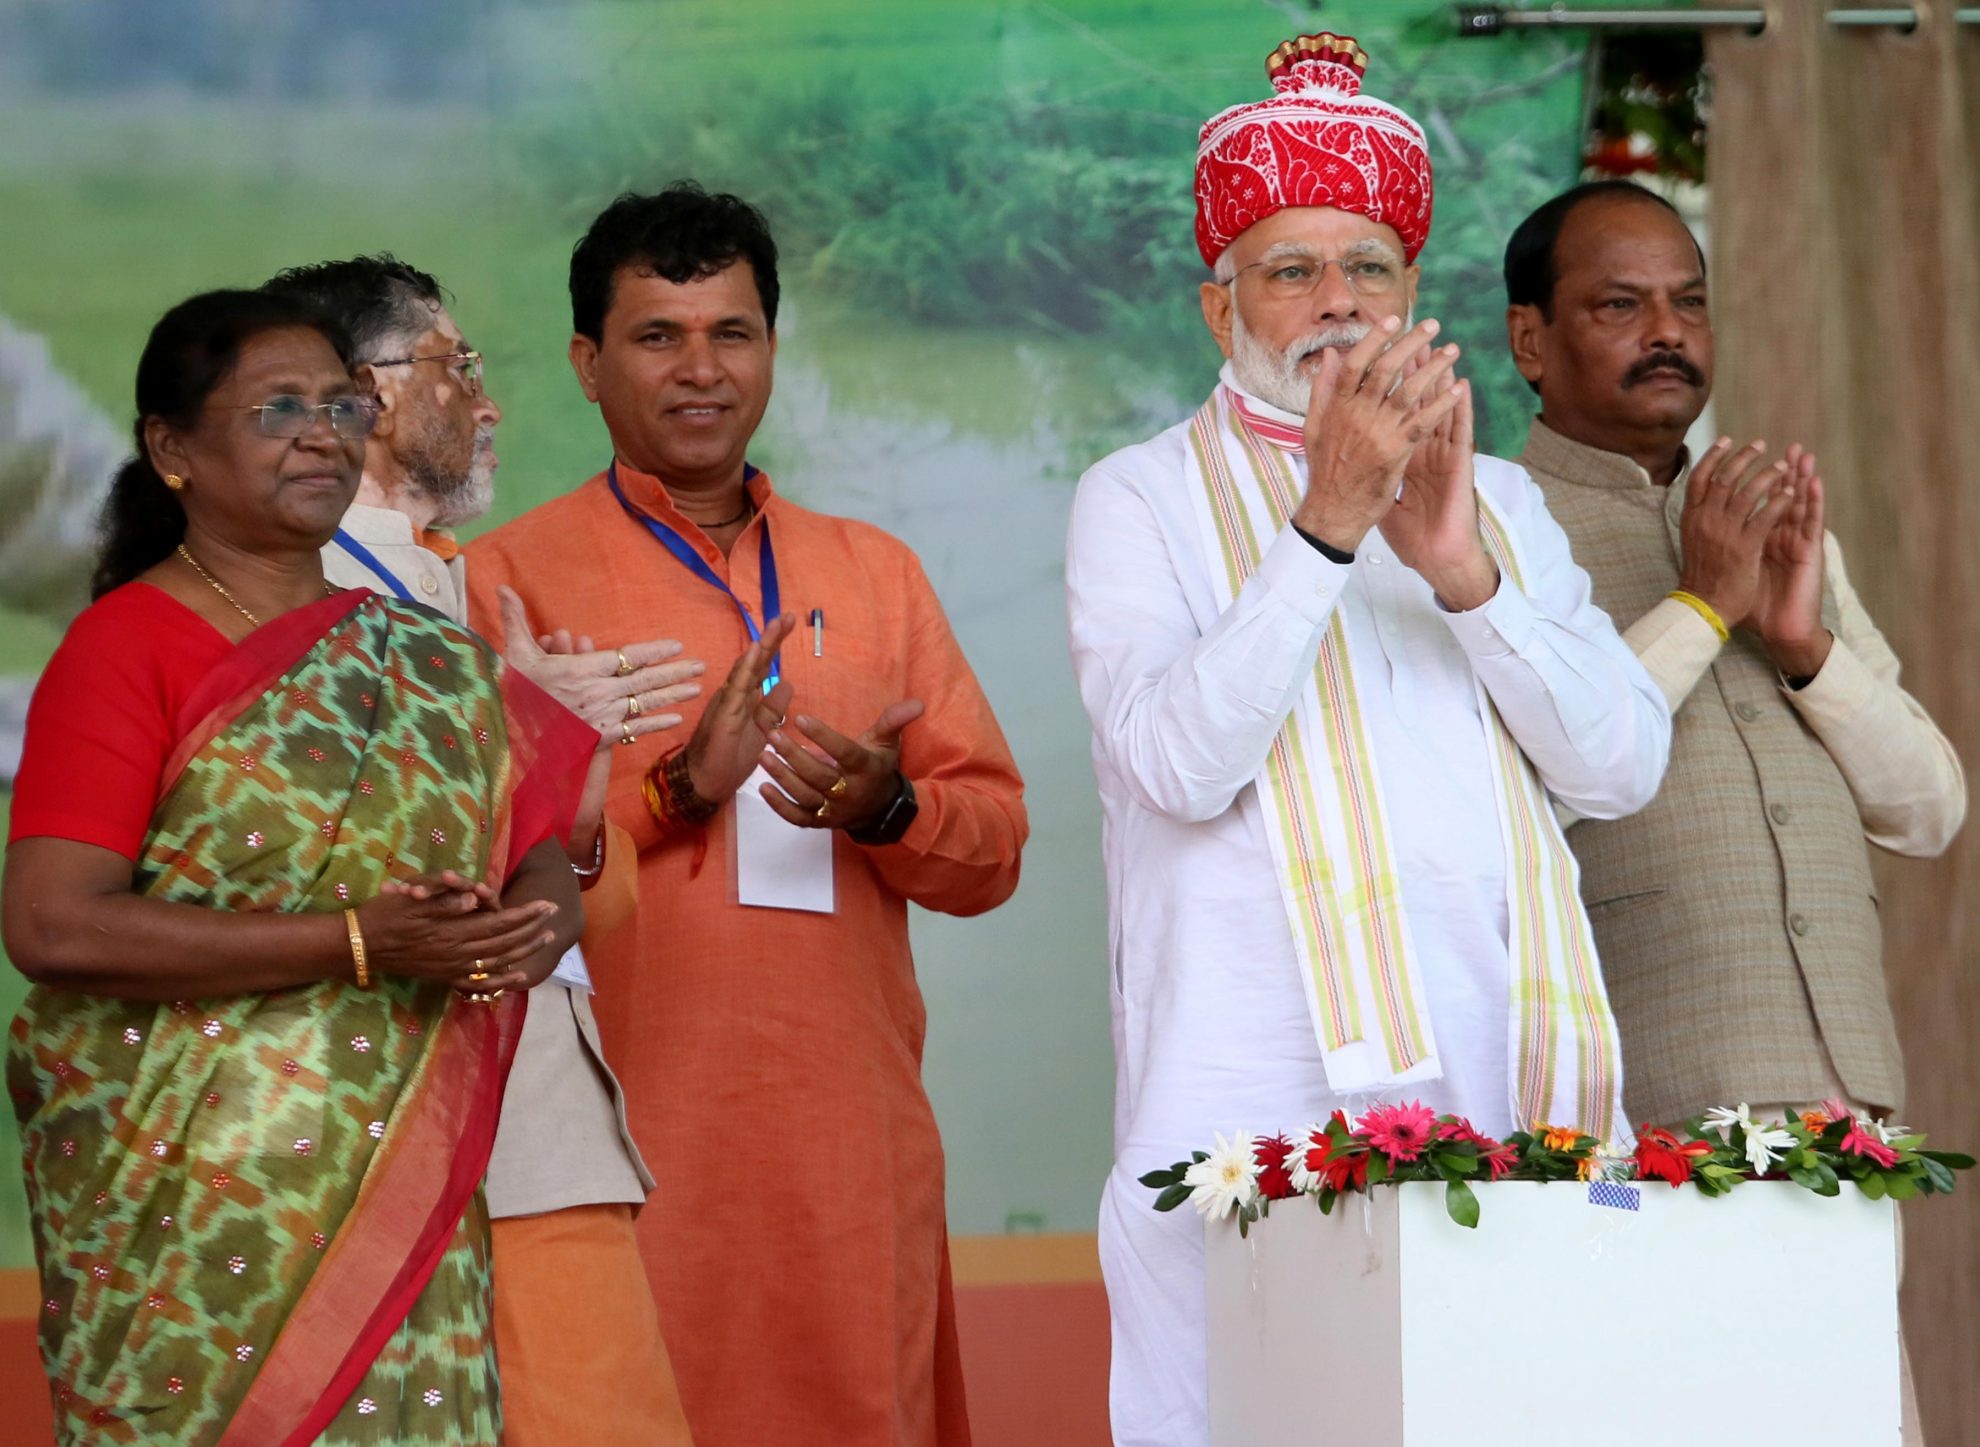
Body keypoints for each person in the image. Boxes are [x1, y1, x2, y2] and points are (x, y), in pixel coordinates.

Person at [1065, 34, 1671, 1446]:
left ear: (1413, 291)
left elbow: (1618, 765)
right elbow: (1176, 760)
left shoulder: (1505, 501)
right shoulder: (1135, 496)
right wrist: (1326, 524)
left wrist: (1462, 568)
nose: (1336, 302)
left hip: (1495, 1083)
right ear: (1221, 306)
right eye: (1292, 270)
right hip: (1238, 1097)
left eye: (1369, 268)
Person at [464, 182, 1028, 1447]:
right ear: (587, 365)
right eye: (658, 335)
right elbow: (479, 866)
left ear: (774, 349)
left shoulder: (874, 573)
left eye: (733, 331)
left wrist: (887, 807)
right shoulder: (503, 580)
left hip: (846, 1138)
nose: (701, 368)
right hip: (619, 1146)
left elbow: (991, 846)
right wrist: (675, 789)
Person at [2, 289, 597, 1445]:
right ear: (172, 448)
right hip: (185, 1236)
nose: (323, 432)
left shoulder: (425, 660)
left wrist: (531, 928)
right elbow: (54, 925)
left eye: (341, 403)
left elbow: (542, 861)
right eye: (279, 408)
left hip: (395, 1214)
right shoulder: (125, 648)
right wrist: (360, 942)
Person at [1504, 181, 1964, 1444]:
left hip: (1837, 1093)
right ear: (1530, 341)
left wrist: (1807, 643)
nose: (1669, 329)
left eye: (1690, 302)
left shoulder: (1773, 517)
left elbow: (1930, 809)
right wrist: (1702, 601)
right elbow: (1523, 784)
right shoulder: (1491, 526)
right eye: (1620, 303)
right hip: (1640, 1102)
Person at [263, 254, 701, 1445]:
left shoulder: (429, 585)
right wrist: (512, 725)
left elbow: (537, 864)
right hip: (440, 1111)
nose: (489, 399)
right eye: (459, 364)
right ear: (371, 392)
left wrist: (566, 770)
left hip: (519, 1101)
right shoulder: (297, 597)